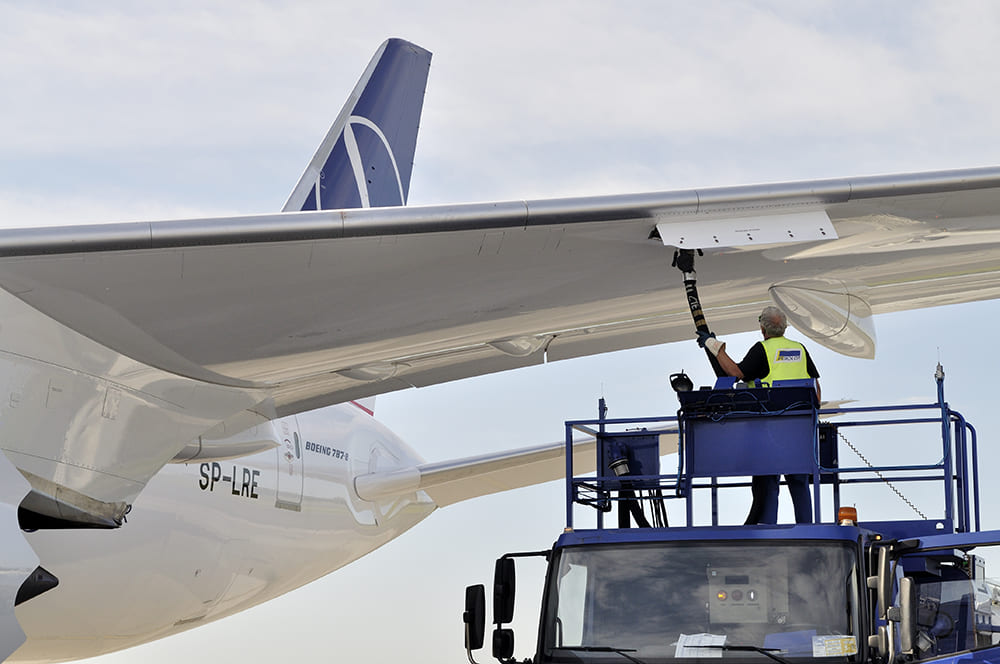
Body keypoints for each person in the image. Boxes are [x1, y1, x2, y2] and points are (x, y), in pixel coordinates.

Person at [697, 306, 820, 525]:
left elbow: (735, 373)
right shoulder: (799, 349)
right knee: (799, 481)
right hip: (799, 427)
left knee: (768, 484)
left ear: (762, 328)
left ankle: (767, 528)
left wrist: (716, 349)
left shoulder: (763, 350)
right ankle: (807, 527)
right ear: (784, 327)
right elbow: (815, 387)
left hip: (770, 427)